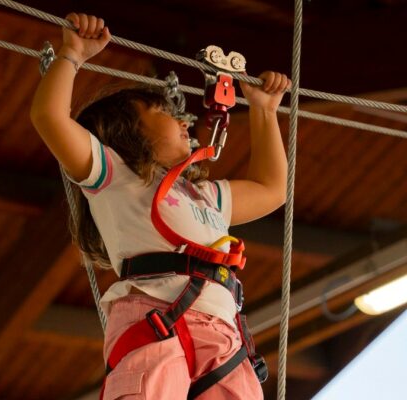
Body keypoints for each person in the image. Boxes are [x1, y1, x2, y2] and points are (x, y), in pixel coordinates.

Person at [30, 12, 290, 400]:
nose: (184, 121)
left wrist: (264, 111)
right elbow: (49, 118)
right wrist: (72, 54)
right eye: (165, 114)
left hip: (220, 331)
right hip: (153, 316)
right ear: (126, 134)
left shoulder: (206, 196)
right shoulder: (116, 177)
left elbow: (272, 188)